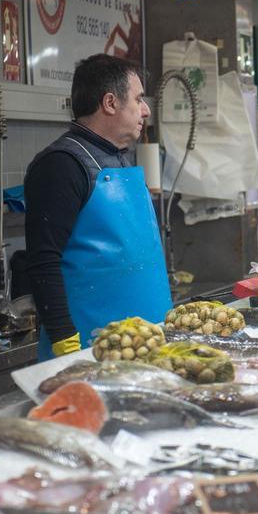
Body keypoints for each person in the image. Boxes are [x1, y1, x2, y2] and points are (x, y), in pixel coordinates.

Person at [24, 54, 172, 361]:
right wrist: (64, 340)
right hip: (93, 348)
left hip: (147, 343)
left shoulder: (119, 159)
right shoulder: (62, 165)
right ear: (109, 103)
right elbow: (43, 261)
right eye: (138, 99)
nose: (145, 110)